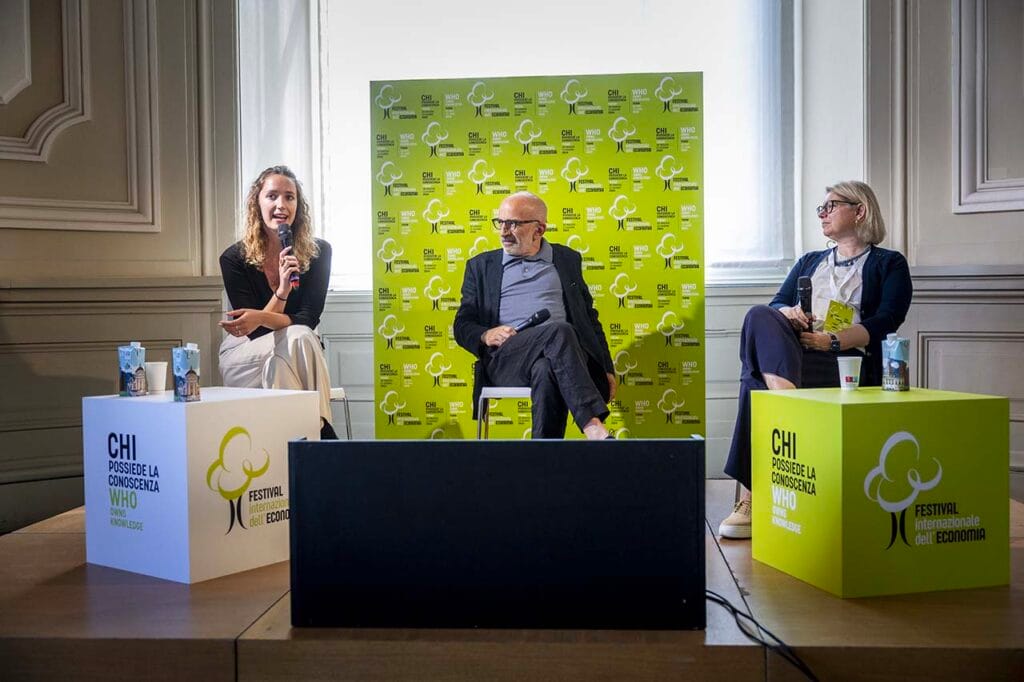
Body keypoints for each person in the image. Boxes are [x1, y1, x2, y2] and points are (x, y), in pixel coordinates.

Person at [719, 180, 912, 539]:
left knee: (754, 381)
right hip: (795, 353)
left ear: (860, 210)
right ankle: (788, 401)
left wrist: (832, 341)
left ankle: (751, 498)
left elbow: (888, 319)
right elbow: (777, 302)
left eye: (831, 206)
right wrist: (790, 313)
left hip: (845, 360)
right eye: (820, 208)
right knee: (760, 314)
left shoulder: (889, 263)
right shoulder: (809, 261)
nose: (822, 213)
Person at [454, 191, 617, 440]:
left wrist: (606, 367)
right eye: (500, 222)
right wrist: (486, 334)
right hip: (507, 358)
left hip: (563, 357)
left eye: (513, 224)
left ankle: (543, 455)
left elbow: (589, 318)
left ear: (539, 229)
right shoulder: (481, 266)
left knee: (545, 368)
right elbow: (462, 324)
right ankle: (591, 424)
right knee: (559, 331)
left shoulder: (567, 260)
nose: (503, 231)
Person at [218, 165, 337, 439]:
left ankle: (297, 444)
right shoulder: (233, 258)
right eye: (272, 196)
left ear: (298, 206)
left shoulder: (319, 252)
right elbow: (255, 332)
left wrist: (260, 315)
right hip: (244, 355)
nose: (281, 204)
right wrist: (282, 291)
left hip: (293, 351)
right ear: (257, 204)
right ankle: (324, 436)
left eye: (289, 197)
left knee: (290, 351)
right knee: (299, 336)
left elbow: (308, 317)